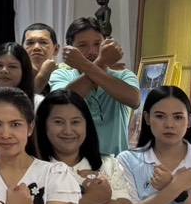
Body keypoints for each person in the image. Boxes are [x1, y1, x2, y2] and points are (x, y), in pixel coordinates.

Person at [47, 17, 141, 158]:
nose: (92, 51)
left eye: (98, 44)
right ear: (70, 48)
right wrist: (101, 61)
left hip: (116, 163)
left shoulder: (123, 75)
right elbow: (62, 104)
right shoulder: (61, 74)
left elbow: (134, 100)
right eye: (82, 45)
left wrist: (88, 65)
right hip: (73, 162)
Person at [21, 24, 59, 96]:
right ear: (21, 49)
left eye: (43, 42)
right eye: (30, 43)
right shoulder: (15, 75)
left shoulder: (65, 74)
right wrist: (43, 75)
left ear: (56, 49)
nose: (36, 47)